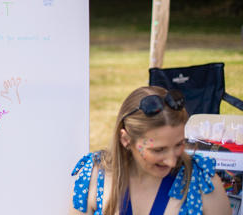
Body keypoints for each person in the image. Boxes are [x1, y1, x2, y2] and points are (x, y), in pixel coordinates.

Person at [70, 86, 231, 215]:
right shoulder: (96, 176)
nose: (172, 161)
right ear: (126, 140)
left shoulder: (203, 183)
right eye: (159, 150)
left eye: (179, 144)